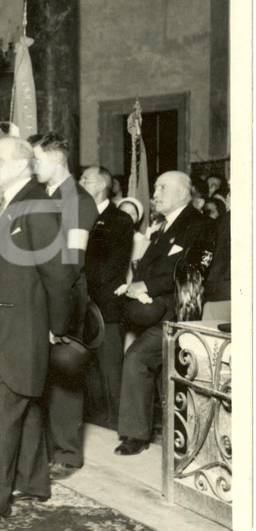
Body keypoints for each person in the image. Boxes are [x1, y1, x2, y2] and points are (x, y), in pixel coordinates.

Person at [0, 136, 73, 526]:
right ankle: (34, 482)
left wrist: (56, 327)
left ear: (19, 165)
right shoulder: (8, 203)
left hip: (21, 329)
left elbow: (59, 275)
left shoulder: (37, 206)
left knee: (1, 416)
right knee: (22, 406)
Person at [113, 171, 212, 456]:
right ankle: (158, 434)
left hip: (179, 312)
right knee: (148, 363)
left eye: (161, 187)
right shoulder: (163, 226)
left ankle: (143, 435)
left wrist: (147, 285)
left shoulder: (199, 224)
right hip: (153, 309)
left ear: (183, 192)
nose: (155, 193)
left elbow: (192, 268)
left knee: (138, 357)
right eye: (154, 187)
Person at [30, 132, 98, 473]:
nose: (32, 166)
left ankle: (68, 454)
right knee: (43, 374)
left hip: (66, 297)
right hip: (40, 295)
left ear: (56, 160)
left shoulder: (79, 200)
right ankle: (45, 448)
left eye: (36, 159)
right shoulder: (44, 196)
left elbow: (73, 261)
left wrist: (58, 314)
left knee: (65, 375)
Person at [78, 166, 135, 431]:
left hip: (106, 304)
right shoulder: (79, 215)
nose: (80, 182)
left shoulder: (119, 220)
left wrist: (79, 281)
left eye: (85, 179)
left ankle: (116, 421)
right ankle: (95, 416)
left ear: (101, 185)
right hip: (83, 302)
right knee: (87, 363)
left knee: (110, 365)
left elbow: (111, 266)